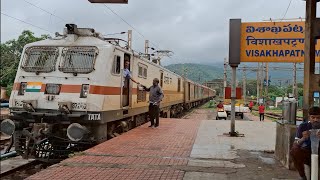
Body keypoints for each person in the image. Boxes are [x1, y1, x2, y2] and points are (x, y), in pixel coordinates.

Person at [290, 107, 320, 180]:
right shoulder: (303, 126)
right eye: (313, 117)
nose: (315, 120)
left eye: (318, 118)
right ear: (309, 117)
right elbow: (296, 143)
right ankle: (303, 176)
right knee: (294, 150)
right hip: (307, 153)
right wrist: (303, 138)